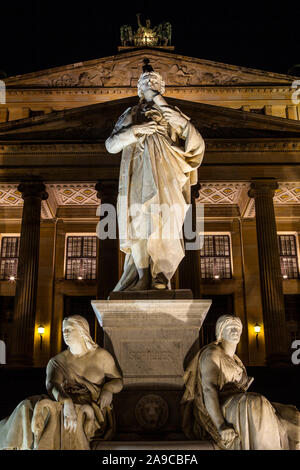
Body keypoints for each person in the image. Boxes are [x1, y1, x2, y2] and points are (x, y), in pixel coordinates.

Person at [105, 59, 205, 291]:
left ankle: (161, 274)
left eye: (155, 81)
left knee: (166, 223)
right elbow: (111, 145)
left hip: (168, 172)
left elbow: (193, 138)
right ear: (139, 88)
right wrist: (136, 130)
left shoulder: (173, 113)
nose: (150, 83)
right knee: (139, 223)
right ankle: (141, 275)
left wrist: (159, 100)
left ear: (162, 88)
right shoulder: (131, 113)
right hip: (139, 173)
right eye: (146, 81)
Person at [0, 315, 123, 450]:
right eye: (63, 330)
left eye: (69, 329)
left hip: (93, 406)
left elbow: (118, 380)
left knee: (61, 417)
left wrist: (108, 389)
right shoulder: (58, 361)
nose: (65, 333)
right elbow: (52, 385)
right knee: (27, 405)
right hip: (63, 400)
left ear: (82, 330)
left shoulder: (102, 356)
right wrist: (67, 402)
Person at [181, 315, 300, 450]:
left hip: (236, 403)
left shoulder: (236, 360)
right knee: (257, 402)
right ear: (220, 332)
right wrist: (221, 425)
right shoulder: (212, 354)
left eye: (238, 328)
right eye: (230, 328)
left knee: (291, 415)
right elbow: (208, 390)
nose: (235, 331)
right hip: (219, 406)